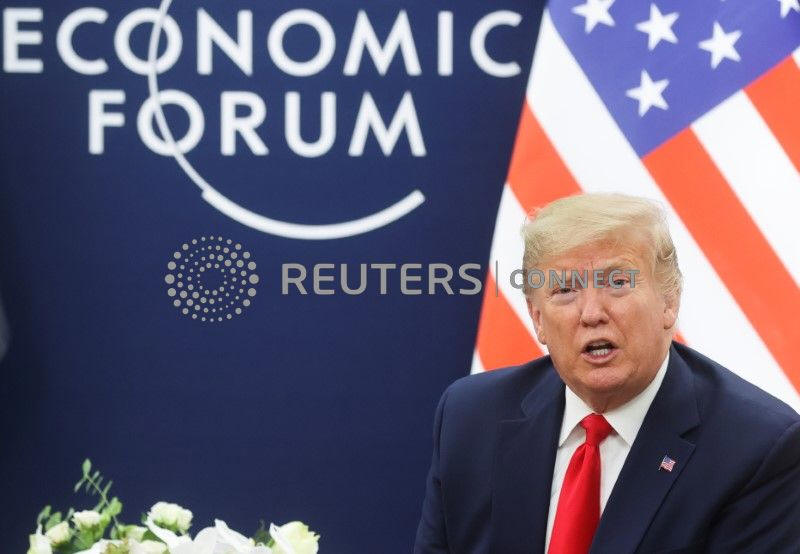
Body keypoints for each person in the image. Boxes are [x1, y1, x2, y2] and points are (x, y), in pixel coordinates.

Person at [414, 193, 800, 553]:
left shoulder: (758, 448)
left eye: (617, 283)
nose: (592, 313)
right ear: (537, 318)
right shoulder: (470, 418)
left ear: (669, 301)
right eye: (565, 289)